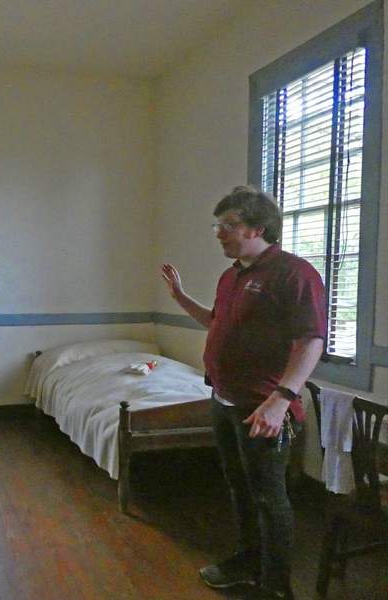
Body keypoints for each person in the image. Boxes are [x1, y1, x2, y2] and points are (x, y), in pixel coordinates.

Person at [161, 186, 326, 600]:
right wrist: (181, 298)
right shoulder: (232, 274)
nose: (219, 233)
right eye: (218, 225)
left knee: (271, 498)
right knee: (239, 488)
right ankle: (248, 561)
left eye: (228, 225)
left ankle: (276, 587)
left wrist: (280, 400)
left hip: (263, 409)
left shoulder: (294, 273)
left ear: (259, 228)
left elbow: (312, 341)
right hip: (225, 401)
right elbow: (218, 323)